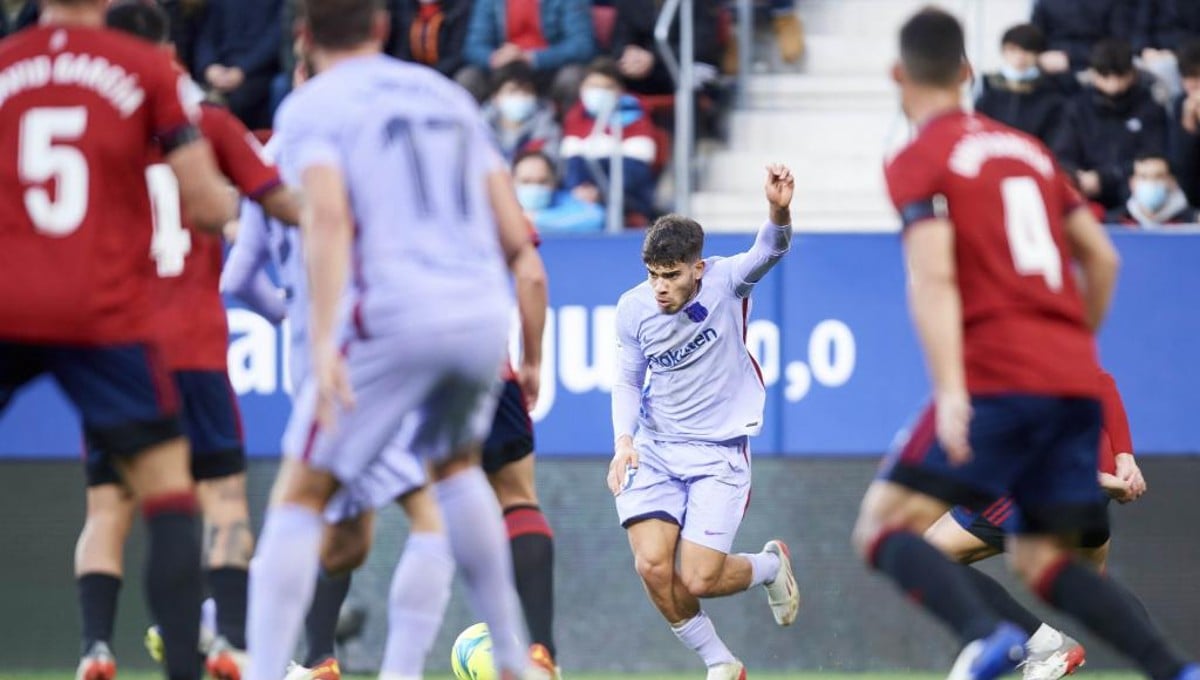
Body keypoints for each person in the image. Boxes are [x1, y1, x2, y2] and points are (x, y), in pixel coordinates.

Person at [855, 9, 1198, 680]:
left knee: (883, 528)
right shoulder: (1029, 150)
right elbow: (1103, 261)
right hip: (1070, 377)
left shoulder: (915, 158)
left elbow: (930, 280)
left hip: (999, 379)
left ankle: (985, 637)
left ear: (899, 75)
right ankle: (1174, 671)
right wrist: (1067, 352)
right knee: (1044, 563)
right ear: (968, 74)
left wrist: (955, 389)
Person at [243, 2, 549, 680]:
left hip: (389, 311)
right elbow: (517, 242)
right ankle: (511, 655)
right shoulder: (446, 96)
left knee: (300, 496)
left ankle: (265, 669)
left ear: (303, 36)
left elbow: (326, 219)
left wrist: (323, 339)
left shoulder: (310, 107)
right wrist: (529, 357)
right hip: (476, 315)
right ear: (383, 28)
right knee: (456, 473)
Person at [0, 2, 236, 680]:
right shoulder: (141, 69)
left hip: (9, 292)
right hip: (97, 308)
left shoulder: (6, 67)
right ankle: (186, 668)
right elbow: (201, 200)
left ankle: (94, 648)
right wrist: (225, 207)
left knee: (103, 509)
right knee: (169, 493)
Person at [70, 4, 300, 680]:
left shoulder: (89, 129)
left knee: (107, 509)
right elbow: (270, 201)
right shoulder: (209, 125)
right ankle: (228, 638)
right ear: (169, 50)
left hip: (115, 352)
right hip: (193, 348)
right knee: (221, 500)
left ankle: (94, 647)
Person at [607, 167, 801, 680]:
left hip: (718, 453)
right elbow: (627, 381)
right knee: (651, 565)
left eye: (671, 276)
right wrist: (623, 442)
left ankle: (768, 567)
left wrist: (778, 210)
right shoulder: (632, 310)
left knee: (697, 577)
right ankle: (720, 662)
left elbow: (772, 249)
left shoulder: (728, 280)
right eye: (653, 275)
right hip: (656, 449)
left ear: (698, 267)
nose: (660, 288)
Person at [923, 371, 1147, 680]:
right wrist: (1124, 457)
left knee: (930, 554)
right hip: (1089, 474)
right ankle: (1172, 671)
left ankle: (1045, 645)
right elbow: (1099, 381)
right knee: (1093, 586)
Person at [1059, 38, 1168, 211]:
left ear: (1132, 73)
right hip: (1085, 197)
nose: (1114, 85)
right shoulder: (1077, 108)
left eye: (1120, 76)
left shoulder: (1149, 108)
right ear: (1094, 74)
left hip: (1136, 200)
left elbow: (1154, 155)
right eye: (1105, 76)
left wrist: (1105, 179)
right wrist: (1078, 177)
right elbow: (1063, 154)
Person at [561, 58, 662, 226]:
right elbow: (571, 164)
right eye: (593, 86)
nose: (598, 92)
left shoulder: (635, 115)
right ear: (582, 88)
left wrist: (600, 193)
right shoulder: (575, 116)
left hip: (626, 200)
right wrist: (579, 187)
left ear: (619, 91)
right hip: (582, 198)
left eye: (606, 87)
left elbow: (635, 171)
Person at [458, 0, 593, 107]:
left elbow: (581, 45)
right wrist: (495, 58)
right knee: (468, 78)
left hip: (548, 70)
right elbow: (473, 46)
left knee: (571, 77)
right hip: (502, 70)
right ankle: (471, 136)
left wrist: (531, 57)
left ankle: (571, 133)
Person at [974, 24, 1071, 159]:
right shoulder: (989, 88)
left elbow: (1056, 136)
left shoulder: (1050, 92)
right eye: (1012, 50)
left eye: (1026, 51)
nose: (1019, 57)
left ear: (1037, 54)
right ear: (1003, 51)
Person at [483, 62, 562, 166]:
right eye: (512, 90)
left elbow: (552, 161)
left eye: (527, 91)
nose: (520, 96)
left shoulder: (547, 126)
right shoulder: (481, 126)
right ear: (495, 97)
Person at [513, 149, 605, 233]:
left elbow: (595, 217)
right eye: (526, 181)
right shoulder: (503, 207)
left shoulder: (564, 199)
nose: (534, 187)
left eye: (542, 182)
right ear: (512, 182)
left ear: (554, 182)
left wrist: (534, 219)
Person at [1107, 154, 1200, 227]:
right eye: (1143, 177)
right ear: (1132, 183)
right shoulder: (1115, 222)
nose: (1151, 182)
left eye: (1159, 176)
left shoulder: (1193, 221)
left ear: (1172, 182)